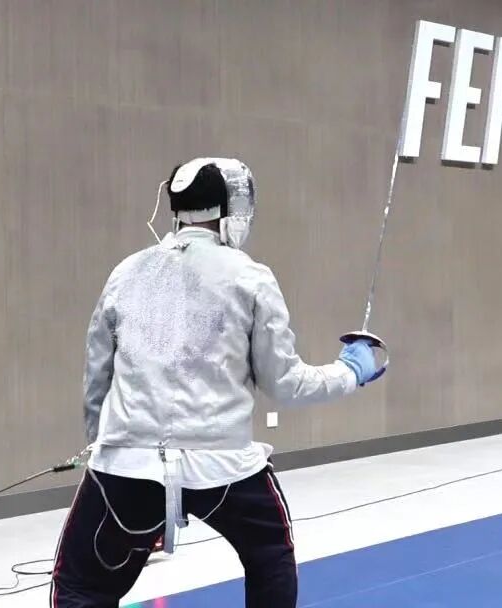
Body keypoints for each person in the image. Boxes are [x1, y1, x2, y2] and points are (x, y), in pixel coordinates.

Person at [50, 158, 385, 607]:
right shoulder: (250, 276)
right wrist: (351, 371)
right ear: (234, 208)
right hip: (224, 467)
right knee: (271, 556)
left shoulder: (126, 272)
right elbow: (285, 384)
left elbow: (97, 381)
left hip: (128, 464)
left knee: (79, 586)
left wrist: (104, 454)